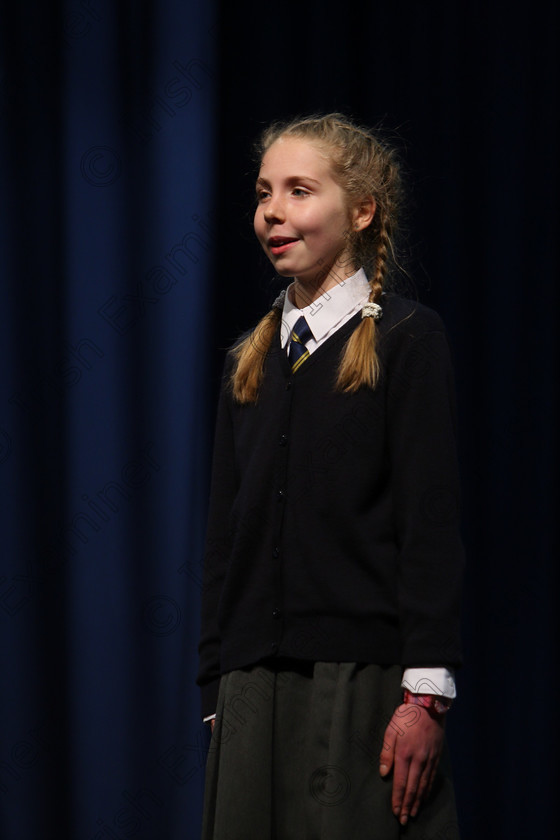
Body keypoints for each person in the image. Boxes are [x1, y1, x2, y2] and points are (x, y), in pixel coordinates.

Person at [198, 113, 464, 839]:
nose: (272, 211)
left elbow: (429, 524)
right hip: (253, 686)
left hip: (361, 682)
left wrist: (425, 694)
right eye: (263, 193)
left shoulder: (406, 339)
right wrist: (217, 682)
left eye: (298, 190)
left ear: (361, 210)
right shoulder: (246, 361)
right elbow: (226, 536)